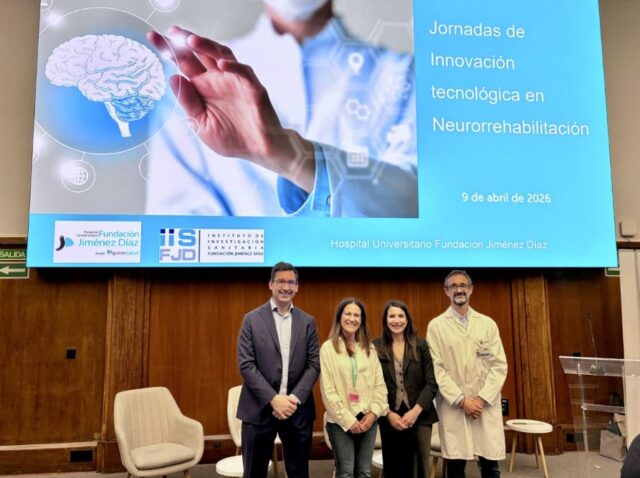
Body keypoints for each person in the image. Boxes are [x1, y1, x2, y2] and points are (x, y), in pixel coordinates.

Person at [146, 0, 417, 218]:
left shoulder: (406, 75)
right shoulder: (193, 81)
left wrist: (287, 155)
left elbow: (417, 208)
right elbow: (176, 229)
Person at [236, 262, 320, 478]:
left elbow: (313, 364)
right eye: (281, 281)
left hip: (296, 410)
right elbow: (246, 364)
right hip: (258, 410)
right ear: (270, 284)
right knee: (254, 473)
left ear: (297, 287)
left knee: (299, 473)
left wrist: (292, 399)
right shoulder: (251, 319)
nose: (286, 287)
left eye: (291, 282)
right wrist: (273, 399)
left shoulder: (308, 321)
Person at [426, 270, 508, 478]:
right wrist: (462, 401)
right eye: (453, 286)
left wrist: (480, 400)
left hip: (484, 405)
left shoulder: (487, 324)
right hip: (455, 406)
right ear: (446, 291)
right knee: (455, 466)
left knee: (490, 465)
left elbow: (499, 365)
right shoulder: (436, 326)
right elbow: (437, 369)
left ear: (471, 289)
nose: (459, 289)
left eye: (463, 285)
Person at [320, 298, 388, 477]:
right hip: (340, 421)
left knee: (364, 472)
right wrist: (349, 420)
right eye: (348, 314)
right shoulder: (328, 348)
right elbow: (328, 391)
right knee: (345, 473)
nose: (352, 318)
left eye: (357, 315)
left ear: (362, 320)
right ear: (339, 317)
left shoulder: (369, 348)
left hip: (368, 418)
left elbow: (380, 386)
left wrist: (373, 414)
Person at [374, 300, 438, 478]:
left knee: (419, 467)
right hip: (389, 416)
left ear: (407, 319)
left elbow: (431, 383)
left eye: (401, 316)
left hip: (420, 414)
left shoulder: (421, 345)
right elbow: (372, 386)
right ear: (385, 320)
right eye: (392, 316)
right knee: (394, 465)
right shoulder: (375, 347)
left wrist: (415, 412)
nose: (397, 320)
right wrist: (388, 414)